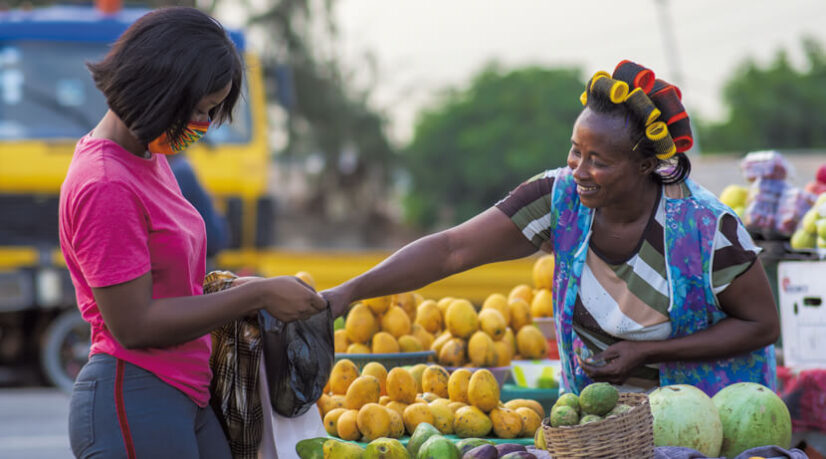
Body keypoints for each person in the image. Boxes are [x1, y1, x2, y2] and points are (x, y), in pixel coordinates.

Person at [323, 60, 780, 397]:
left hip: (708, 424)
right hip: (602, 429)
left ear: (645, 164)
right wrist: (347, 293)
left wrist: (650, 353)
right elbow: (451, 250)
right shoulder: (559, 199)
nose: (579, 169)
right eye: (575, 151)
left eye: (599, 161)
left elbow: (762, 325)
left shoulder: (705, 227)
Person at [58, 8, 326, 458]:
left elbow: (168, 281)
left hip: (186, 392)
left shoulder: (149, 159)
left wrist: (233, 287)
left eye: (209, 111)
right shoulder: (105, 183)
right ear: (158, 88)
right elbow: (134, 325)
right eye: (199, 108)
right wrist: (256, 296)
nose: (202, 124)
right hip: (136, 394)